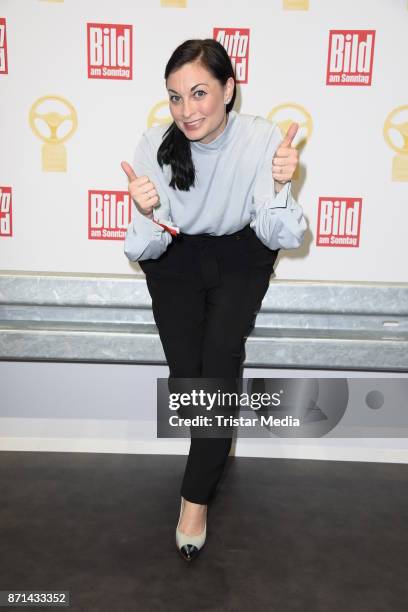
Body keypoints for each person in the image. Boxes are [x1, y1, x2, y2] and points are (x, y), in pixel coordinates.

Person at [122, 38, 306, 562]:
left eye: (199, 93)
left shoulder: (263, 137)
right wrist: (146, 212)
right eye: (175, 97)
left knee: (220, 360)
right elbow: (146, 245)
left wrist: (281, 182)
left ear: (228, 89)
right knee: (191, 380)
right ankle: (214, 454)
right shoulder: (155, 144)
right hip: (176, 257)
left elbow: (278, 232)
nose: (187, 110)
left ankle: (194, 500)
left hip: (239, 257)